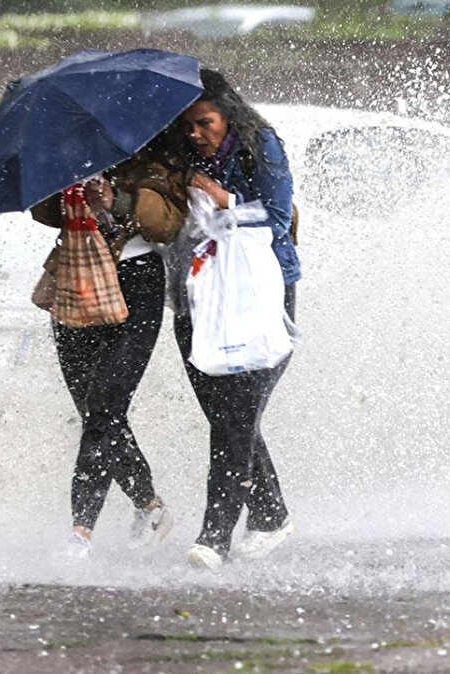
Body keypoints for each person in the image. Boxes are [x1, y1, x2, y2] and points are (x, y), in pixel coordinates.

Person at [167, 69, 301, 571]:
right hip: (196, 294)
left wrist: (221, 198)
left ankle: (213, 537)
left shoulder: (259, 144)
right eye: (187, 127)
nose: (196, 135)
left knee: (238, 414)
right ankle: (270, 515)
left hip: (260, 291)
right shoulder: (178, 158)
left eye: (205, 123)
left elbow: (277, 212)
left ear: (229, 115)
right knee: (225, 415)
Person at [30, 134, 188, 559]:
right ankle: (152, 507)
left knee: (104, 409)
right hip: (76, 277)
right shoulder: (69, 148)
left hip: (137, 283)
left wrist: (116, 198)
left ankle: (80, 533)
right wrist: (61, 182)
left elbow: (169, 224)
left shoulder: (160, 150)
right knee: (94, 413)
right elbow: (40, 211)